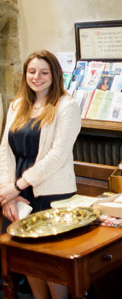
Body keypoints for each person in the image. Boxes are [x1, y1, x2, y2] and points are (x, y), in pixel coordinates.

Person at [0, 50, 81, 299]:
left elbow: (57, 156)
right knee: (29, 260)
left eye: (44, 72)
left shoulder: (66, 106)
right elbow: (5, 150)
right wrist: (7, 193)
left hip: (52, 193)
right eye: (32, 71)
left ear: (54, 75)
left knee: (51, 264)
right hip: (19, 193)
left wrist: (18, 185)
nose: (37, 77)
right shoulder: (17, 105)